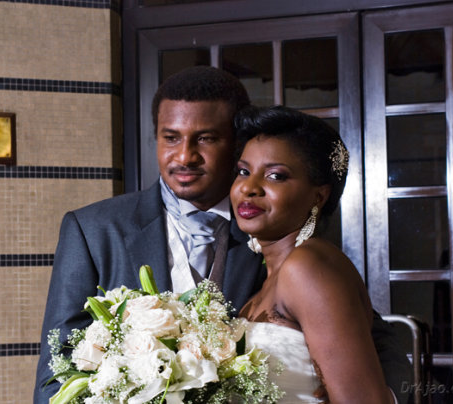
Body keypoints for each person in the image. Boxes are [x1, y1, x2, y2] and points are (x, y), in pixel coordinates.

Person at [33, 66, 411, 403]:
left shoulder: (279, 233)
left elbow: (373, 339)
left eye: (206, 139)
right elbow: (57, 373)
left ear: (235, 143)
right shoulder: (93, 230)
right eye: (170, 138)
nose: (185, 156)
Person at [231, 105, 395, 403]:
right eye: (244, 171)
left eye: (275, 176)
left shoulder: (306, 267)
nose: (249, 188)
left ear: (319, 195)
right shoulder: (269, 279)